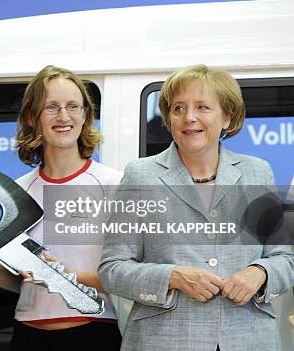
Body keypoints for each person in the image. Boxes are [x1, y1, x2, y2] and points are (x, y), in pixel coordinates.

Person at [98, 64, 294, 351]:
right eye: (178, 108)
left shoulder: (257, 172)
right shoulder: (141, 175)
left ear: (227, 116)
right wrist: (173, 276)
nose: (189, 117)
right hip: (163, 340)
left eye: (202, 107)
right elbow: (111, 269)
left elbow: (285, 259)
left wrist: (260, 273)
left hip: (249, 339)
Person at [0, 65, 122, 351]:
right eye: (51, 107)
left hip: (94, 333)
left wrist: (64, 274)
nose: (64, 116)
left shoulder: (113, 184)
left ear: (85, 116)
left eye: (72, 106)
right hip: (29, 335)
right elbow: (21, 282)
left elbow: (127, 276)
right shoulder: (16, 193)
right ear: (33, 117)